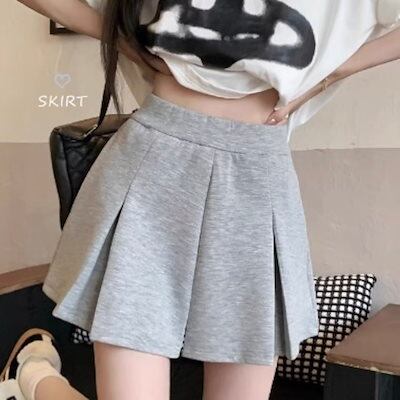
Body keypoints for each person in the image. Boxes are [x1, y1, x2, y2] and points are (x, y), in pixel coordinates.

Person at [2, 0, 400, 399]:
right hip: (151, 165)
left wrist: (333, 72)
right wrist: (123, 42)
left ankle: (33, 374)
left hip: (257, 179)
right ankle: (34, 373)